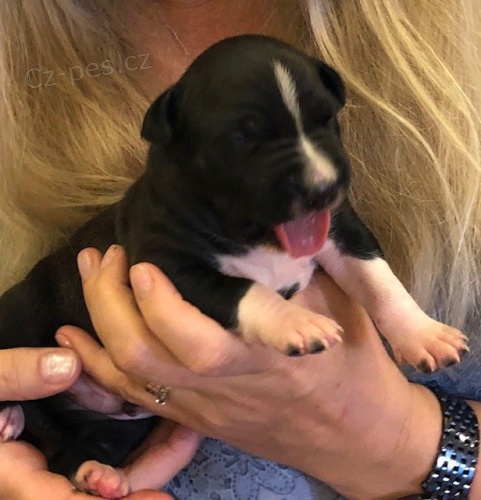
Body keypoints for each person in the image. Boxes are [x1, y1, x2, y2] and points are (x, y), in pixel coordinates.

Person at [0, 0, 480, 498]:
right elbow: (179, 273)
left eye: (322, 123)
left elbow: (350, 250)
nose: (317, 174)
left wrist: (399, 432)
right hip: (61, 367)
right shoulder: (169, 211)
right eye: (247, 141)